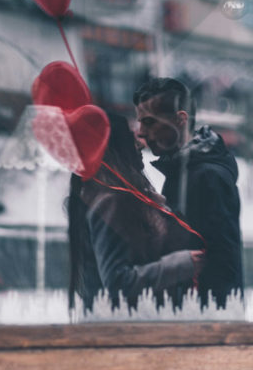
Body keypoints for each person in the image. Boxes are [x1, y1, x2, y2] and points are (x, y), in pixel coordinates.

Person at [67, 111, 203, 312]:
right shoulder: (111, 202)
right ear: (116, 148)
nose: (140, 145)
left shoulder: (121, 198)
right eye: (132, 140)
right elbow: (118, 282)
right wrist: (183, 263)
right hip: (124, 330)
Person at [133, 78, 243, 308]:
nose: (141, 132)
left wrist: (215, 325)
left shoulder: (206, 177)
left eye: (149, 122)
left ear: (180, 120)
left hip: (203, 321)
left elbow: (222, 261)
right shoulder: (182, 171)